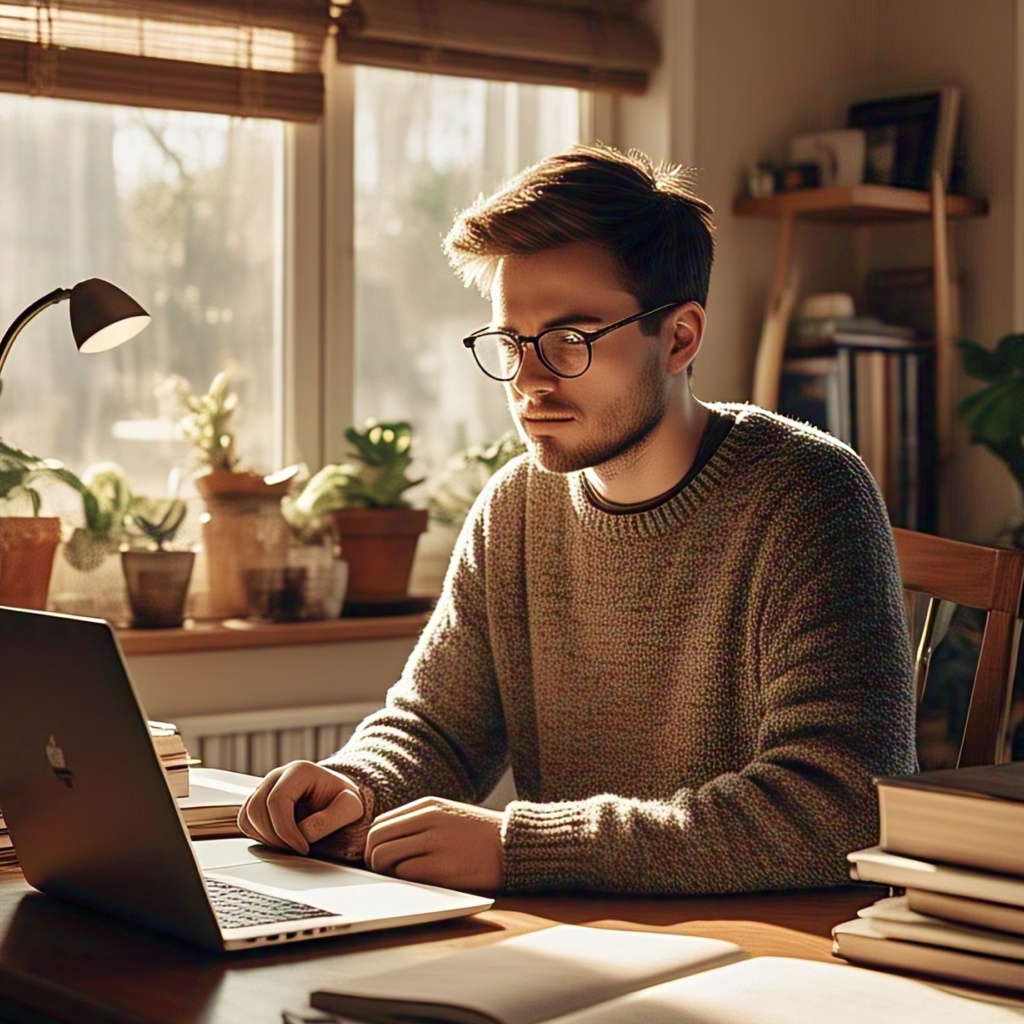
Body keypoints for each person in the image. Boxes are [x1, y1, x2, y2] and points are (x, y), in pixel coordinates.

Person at [238, 144, 917, 895]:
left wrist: (524, 848)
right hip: (576, 943)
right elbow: (437, 728)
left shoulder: (808, 493)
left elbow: (843, 807)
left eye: (569, 341)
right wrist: (354, 787)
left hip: (770, 958)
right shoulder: (515, 507)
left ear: (681, 337)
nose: (528, 382)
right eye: (511, 342)